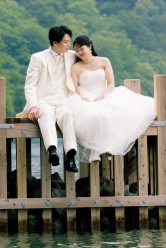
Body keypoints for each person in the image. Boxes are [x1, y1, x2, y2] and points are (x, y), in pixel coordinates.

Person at [66, 35, 156, 162]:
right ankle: (97, 151)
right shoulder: (76, 67)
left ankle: (109, 147)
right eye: (76, 50)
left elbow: (111, 83)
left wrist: (102, 96)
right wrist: (82, 97)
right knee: (93, 116)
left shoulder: (104, 61)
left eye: (81, 49)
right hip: (86, 96)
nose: (79, 52)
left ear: (90, 46)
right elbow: (74, 88)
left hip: (105, 93)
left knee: (120, 112)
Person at [22, 25, 79, 172]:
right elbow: (30, 85)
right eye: (66, 42)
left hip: (63, 100)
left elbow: (91, 59)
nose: (69, 44)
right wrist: (33, 106)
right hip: (43, 100)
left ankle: (71, 156)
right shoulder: (38, 58)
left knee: (67, 114)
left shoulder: (72, 55)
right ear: (55, 42)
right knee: (46, 114)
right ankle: (52, 150)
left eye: (69, 41)